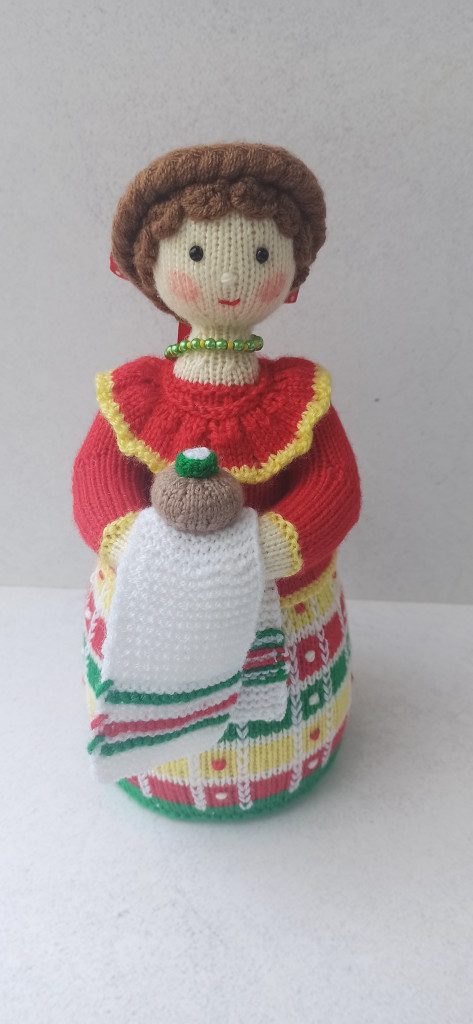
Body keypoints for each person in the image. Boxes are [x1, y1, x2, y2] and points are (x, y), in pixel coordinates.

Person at [73, 142, 361, 820]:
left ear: (290, 270)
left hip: (283, 601)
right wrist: (127, 540)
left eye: (260, 255)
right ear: (152, 269)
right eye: (199, 254)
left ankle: (276, 757)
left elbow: (335, 484)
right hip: (153, 593)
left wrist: (274, 546)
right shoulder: (136, 393)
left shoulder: (300, 395)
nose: (231, 275)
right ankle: (159, 759)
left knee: (280, 705)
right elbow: (97, 475)